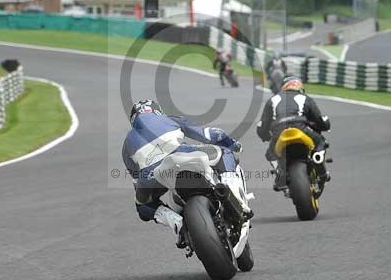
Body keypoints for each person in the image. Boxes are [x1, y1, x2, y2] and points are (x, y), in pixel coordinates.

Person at [121, 99, 242, 238]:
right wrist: (232, 144)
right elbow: (211, 134)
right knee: (224, 152)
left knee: (142, 206)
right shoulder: (169, 119)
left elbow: (137, 184)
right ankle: (232, 195)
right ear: (157, 111)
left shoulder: (126, 145)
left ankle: (176, 222)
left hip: (152, 174)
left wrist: (145, 200)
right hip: (181, 152)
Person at [256, 76, 331, 189]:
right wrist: (324, 125)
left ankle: (280, 173)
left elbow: (262, 125)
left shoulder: (272, 100)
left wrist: (266, 136)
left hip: (279, 131)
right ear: (300, 88)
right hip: (301, 127)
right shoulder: (304, 98)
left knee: (271, 154)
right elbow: (319, 119)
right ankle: (321, 170)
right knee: (321, 142)